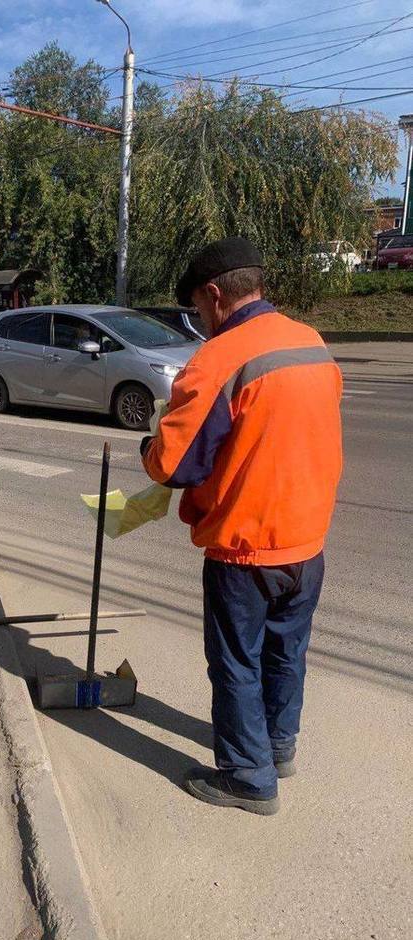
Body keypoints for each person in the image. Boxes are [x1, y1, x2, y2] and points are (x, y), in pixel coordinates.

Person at [140, 237, 343, 816]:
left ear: (213, 296)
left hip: (246, 546)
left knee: (236, 662)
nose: (200, 323)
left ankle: (249, 779)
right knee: (286, 653)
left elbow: (176, 464)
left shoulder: (220, 358)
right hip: (307, 542)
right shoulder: (311, 343)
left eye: (198, 312)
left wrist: (149, 449)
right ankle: (277, 748)